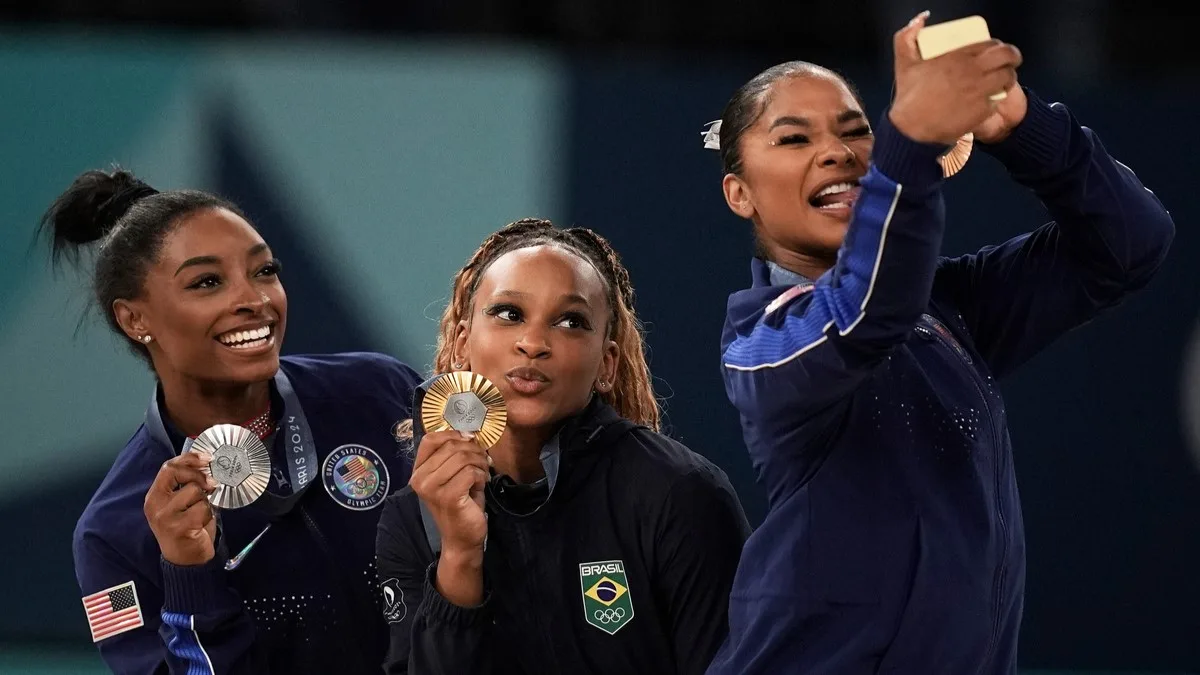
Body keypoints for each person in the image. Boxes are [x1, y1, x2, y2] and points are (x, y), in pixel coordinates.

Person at [703, 13, 1174, 675]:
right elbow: (868, 310)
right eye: (792, 137)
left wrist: (1018, 125)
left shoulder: (949, 310)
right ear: (739, 193)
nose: (836, 151)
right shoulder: (760, 342)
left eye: (856, 130)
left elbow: (1131, 243)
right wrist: (910, 144)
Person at [52, 168, 423, 674]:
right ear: (135, 319)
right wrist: (188, 575)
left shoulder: (381, 390)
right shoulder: (113, 533)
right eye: (207, 282)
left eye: (264, 271)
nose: (255, 300)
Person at [375, 218, 752, 674]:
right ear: (461, 346)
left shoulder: (679, 495)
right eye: (509, 314)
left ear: (607, 364)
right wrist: (459, 555)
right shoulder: (411, 519)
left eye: (571, 322)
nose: (533, 344)